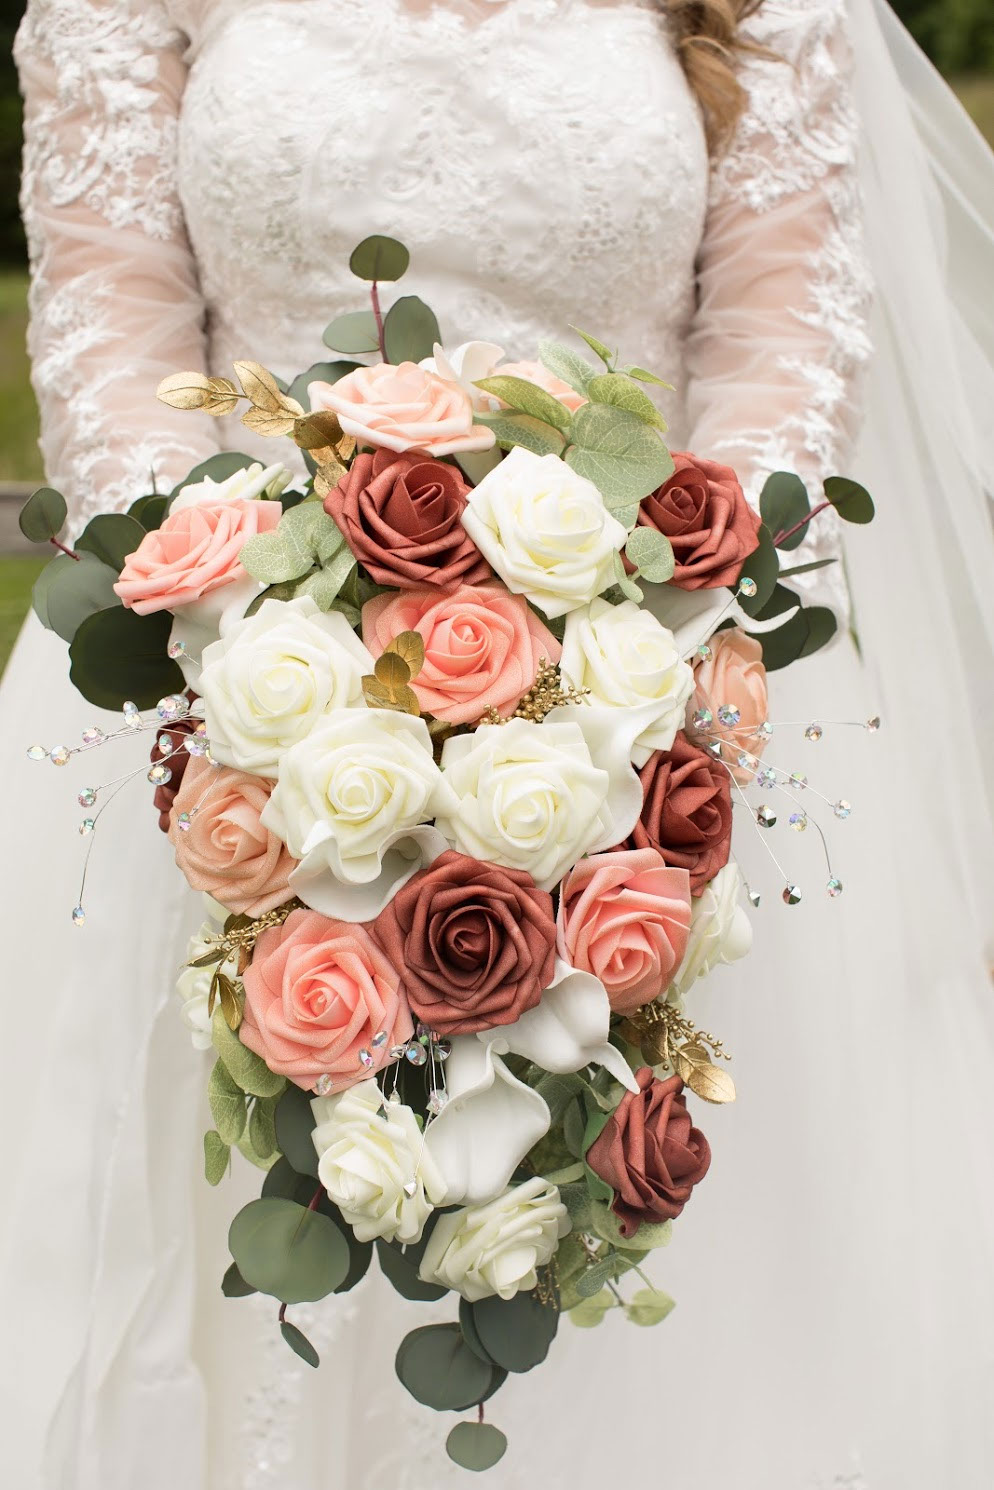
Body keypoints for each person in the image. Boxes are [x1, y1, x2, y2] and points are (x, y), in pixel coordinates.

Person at [4, 1, 993, 1486]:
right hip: (225, 703)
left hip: (655, 696)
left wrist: (633, 678)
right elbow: (113, 326)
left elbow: (780, 335)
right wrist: (260, 663)